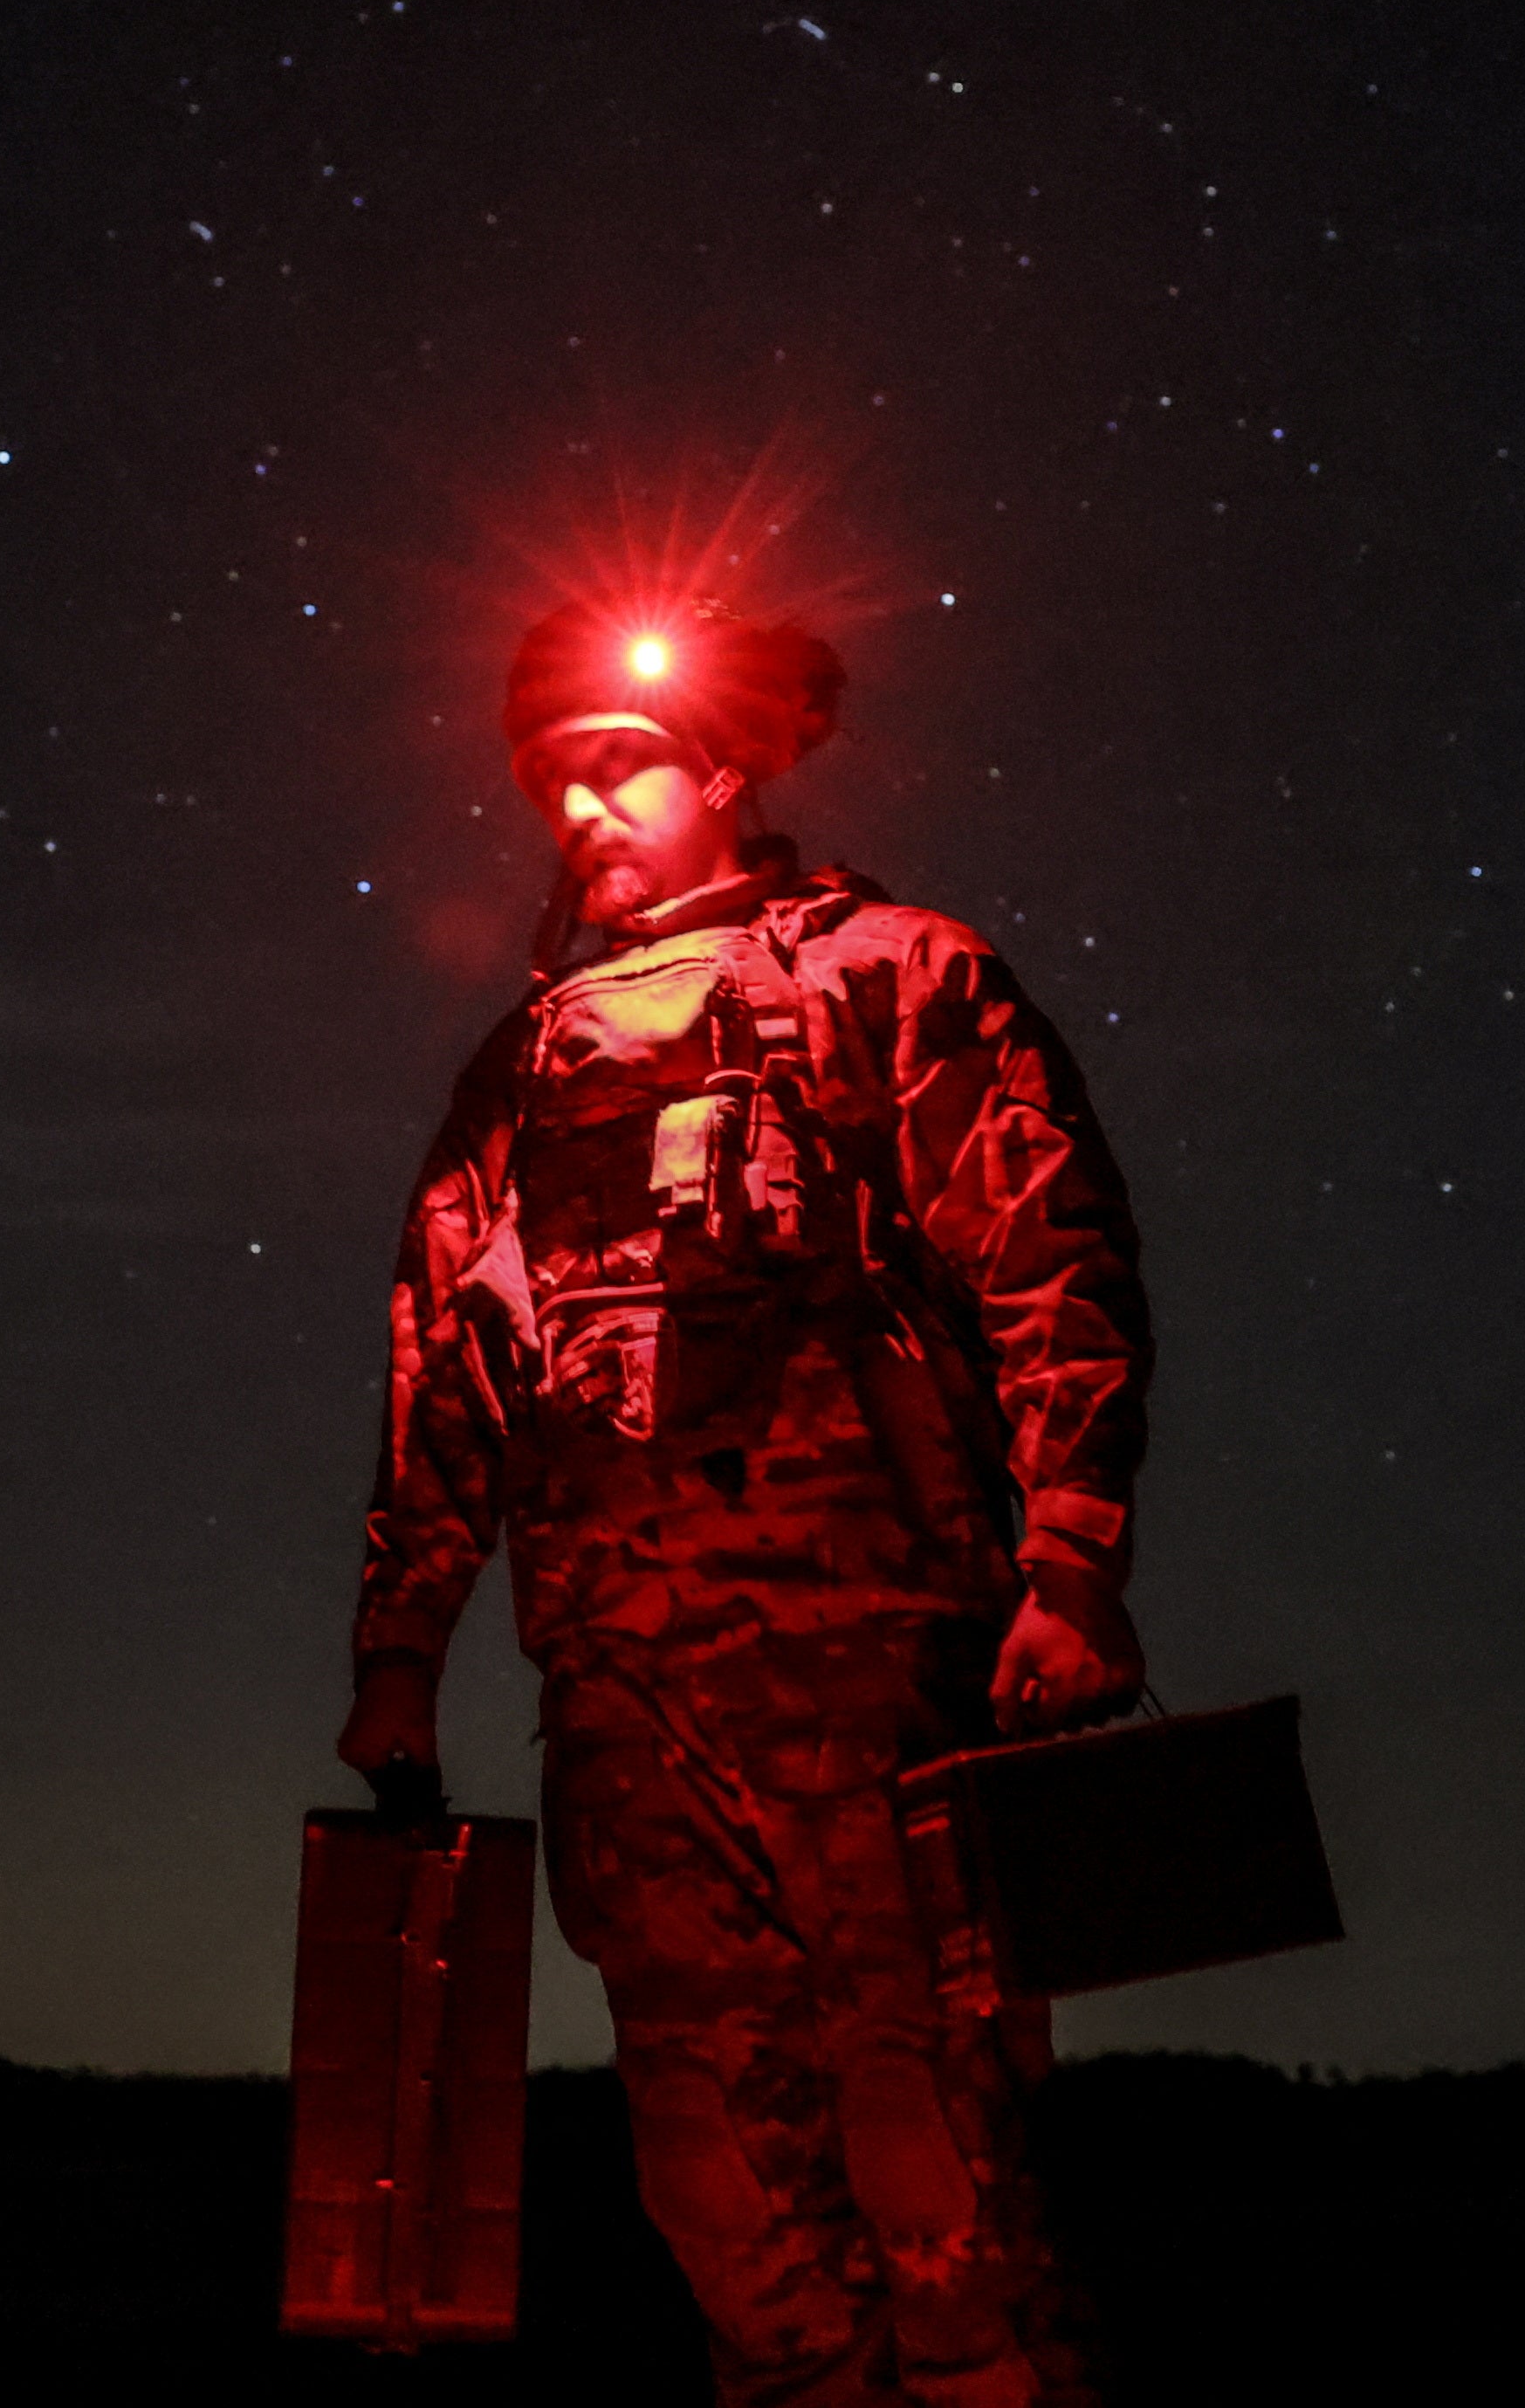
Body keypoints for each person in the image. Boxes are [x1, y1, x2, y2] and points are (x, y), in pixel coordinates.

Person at [337, 601, 1155, 2407]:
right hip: (628, 1720)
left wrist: (1073, 1559)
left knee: (931, 2158)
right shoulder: (524, 1072)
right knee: (719, 2194)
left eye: (619, 760)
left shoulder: (893, 975)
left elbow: (1050, 1264)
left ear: (728, 764)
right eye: (550, 777)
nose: (580, 807)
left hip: (884, 1697)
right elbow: (447, 1369)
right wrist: (402, 1650)